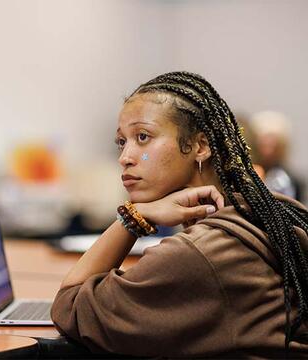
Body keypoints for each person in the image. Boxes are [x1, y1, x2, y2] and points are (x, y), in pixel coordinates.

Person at [51, 72, 308, 358]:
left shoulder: (200, 254)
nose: (125, 157)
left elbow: (69, 306)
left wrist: (132, 218)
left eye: (143, 137)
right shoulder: (272, 210)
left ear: (200, 146)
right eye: (122, 142)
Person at [250, 111, 304, 202]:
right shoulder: (249, 173)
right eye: (263, 145)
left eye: (272, 146)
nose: (267, 151)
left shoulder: (290, 179)